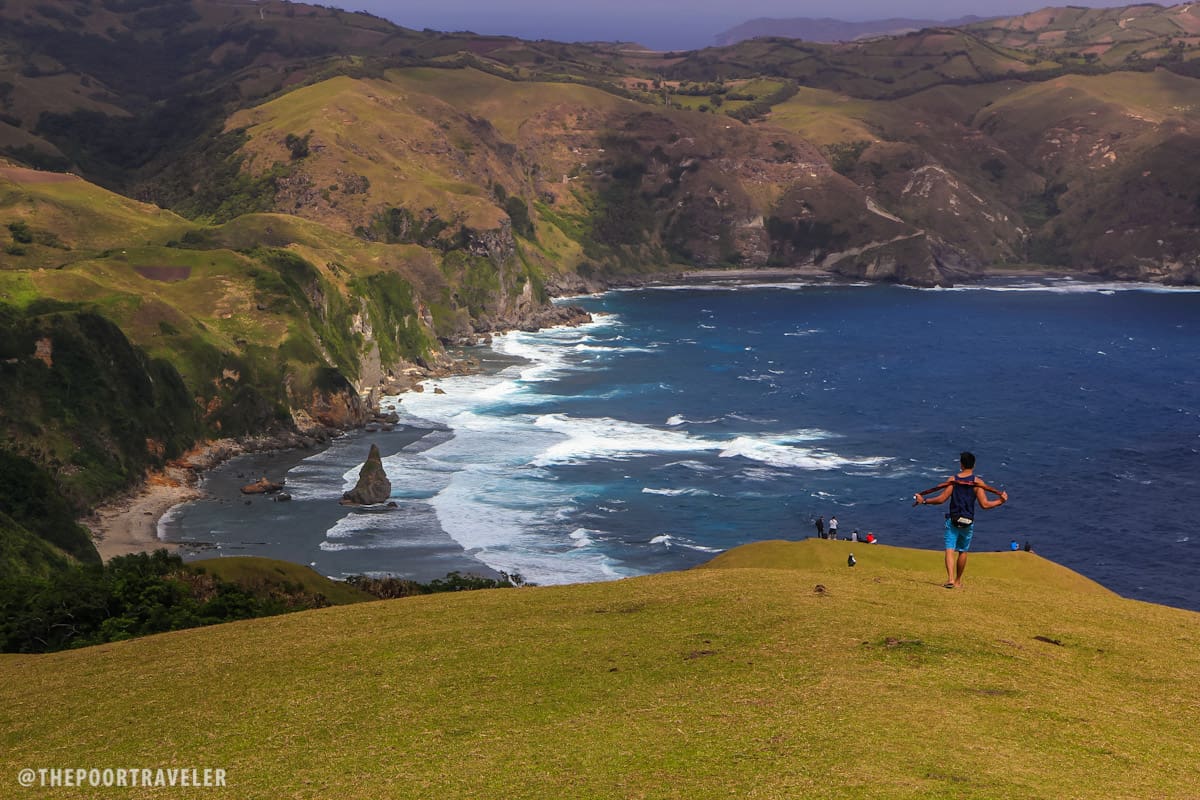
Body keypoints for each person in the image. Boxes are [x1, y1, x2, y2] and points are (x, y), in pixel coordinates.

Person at [914, 451, 1008, 589]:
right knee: (963, 551)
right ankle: (957, 581)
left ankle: (951, 579)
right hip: (968, 522)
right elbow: (985, 505)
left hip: (953, 520)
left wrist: (924, 501)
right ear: (974, 465)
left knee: (949, 549)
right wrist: (1000, 501)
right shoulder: (978, 483)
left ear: (961, 464)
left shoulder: (953, 480)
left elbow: (941, 499)